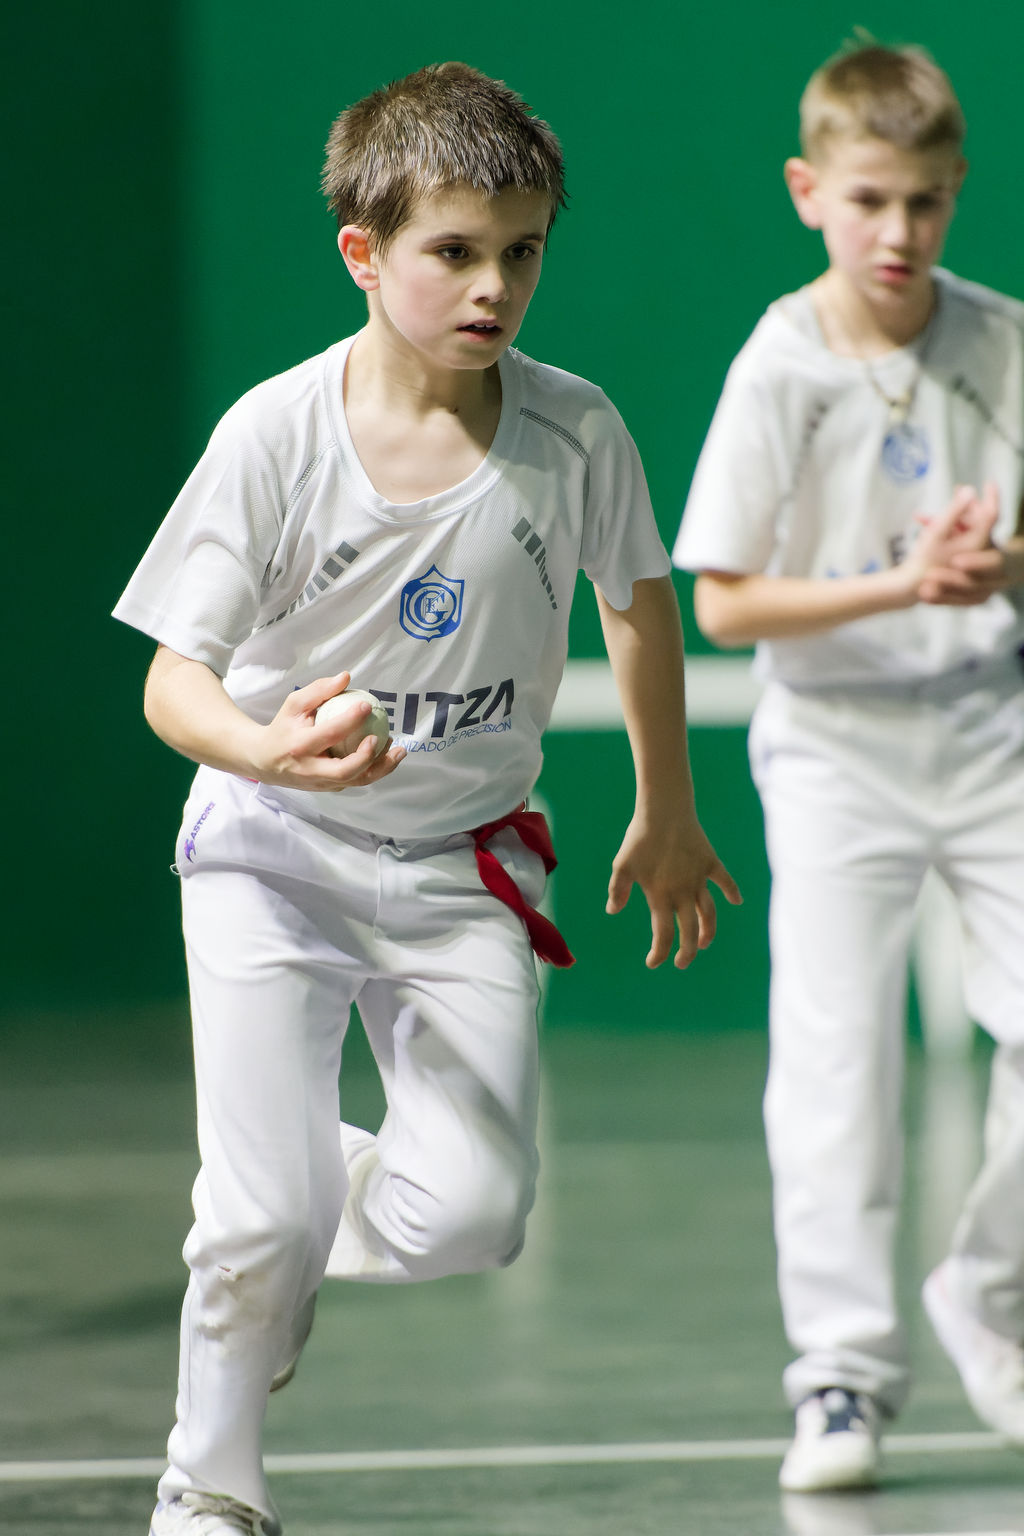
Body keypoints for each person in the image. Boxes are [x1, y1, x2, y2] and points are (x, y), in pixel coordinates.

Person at [115, 62, 739, 1536]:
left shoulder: (576, 431)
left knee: (471, 1216)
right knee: (253, 1216)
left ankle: (287, 1217)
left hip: (466, 871)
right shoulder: (276, 436)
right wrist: (265, 753)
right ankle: (211, 1487)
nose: (494, 285)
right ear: (363, 251)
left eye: (523, 251)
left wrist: (667, 808)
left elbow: (639, 602)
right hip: (271, 852)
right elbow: (171, 683)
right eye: (454, 251)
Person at [673, 39, 1024, 1494]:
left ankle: (991, 1295)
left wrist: (1001, 571)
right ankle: (839, 1376)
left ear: (956, 193)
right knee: (836, 1070)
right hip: (832, 753)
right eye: (870, 200)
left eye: (926, 202)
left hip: (995, 733)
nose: (899, 232)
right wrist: (903, 584)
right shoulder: (779, 367)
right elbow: (723, 604)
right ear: (808, 190)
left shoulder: (1004, 342)